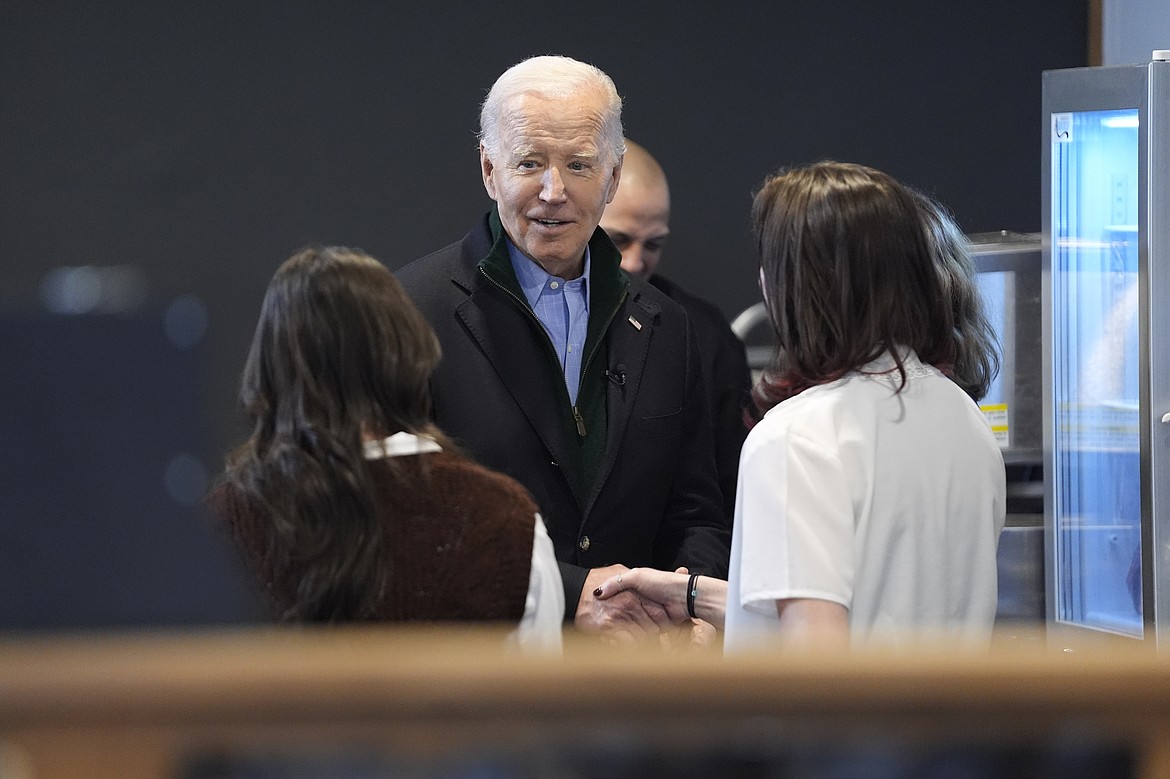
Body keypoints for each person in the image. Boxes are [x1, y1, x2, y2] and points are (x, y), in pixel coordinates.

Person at [595, 162, 1006, 649]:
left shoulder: (796, 438)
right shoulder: (964, 418)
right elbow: (867, 603)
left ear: (792, 285)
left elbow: (816, 666)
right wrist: (690, 594)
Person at [396, 56, 729, 642]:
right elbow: (410, 522)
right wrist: (574, 595)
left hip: (638, 686)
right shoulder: (408, 313)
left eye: (579, 165)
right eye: (530, 163)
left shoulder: (667, 326)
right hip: (484, 681)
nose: (554, 192)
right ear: (489, 170)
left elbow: (696, 512)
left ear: (613, 177)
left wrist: (692, 603)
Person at [208, 246, 563, 652]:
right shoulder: (503, 519)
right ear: (409, 350)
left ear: (271, 367)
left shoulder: (219, 528)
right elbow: (539, 700)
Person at [598, 139, 752, 520]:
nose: (635, 262)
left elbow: (730, 491)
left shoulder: (704, 332)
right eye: (619, 240)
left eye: (653, 244)